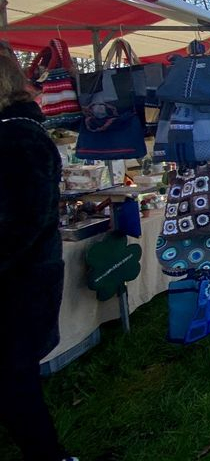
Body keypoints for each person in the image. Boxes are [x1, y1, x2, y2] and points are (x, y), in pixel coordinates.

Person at [0, 55, 75, 460]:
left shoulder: (18, 138)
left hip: (19, 284)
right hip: (25, 278)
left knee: (15, 379)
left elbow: (19, 224)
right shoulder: (20, 133)